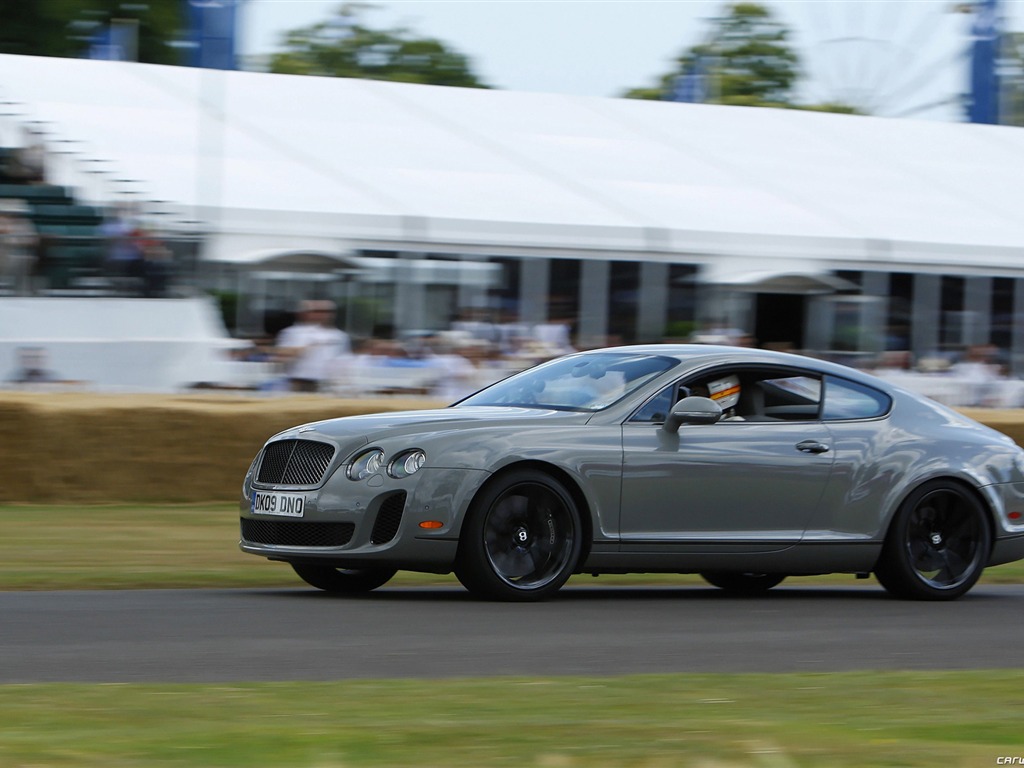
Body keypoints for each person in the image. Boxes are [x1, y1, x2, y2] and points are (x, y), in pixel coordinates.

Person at [275, 300, 352, 393]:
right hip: (301, 381)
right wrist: (308, 347)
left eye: (326, 311)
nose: (322, 314)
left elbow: (344, 360)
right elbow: (281, 356)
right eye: (316, 311)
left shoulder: (340, 335)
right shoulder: (293, 332)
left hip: (329, 382)